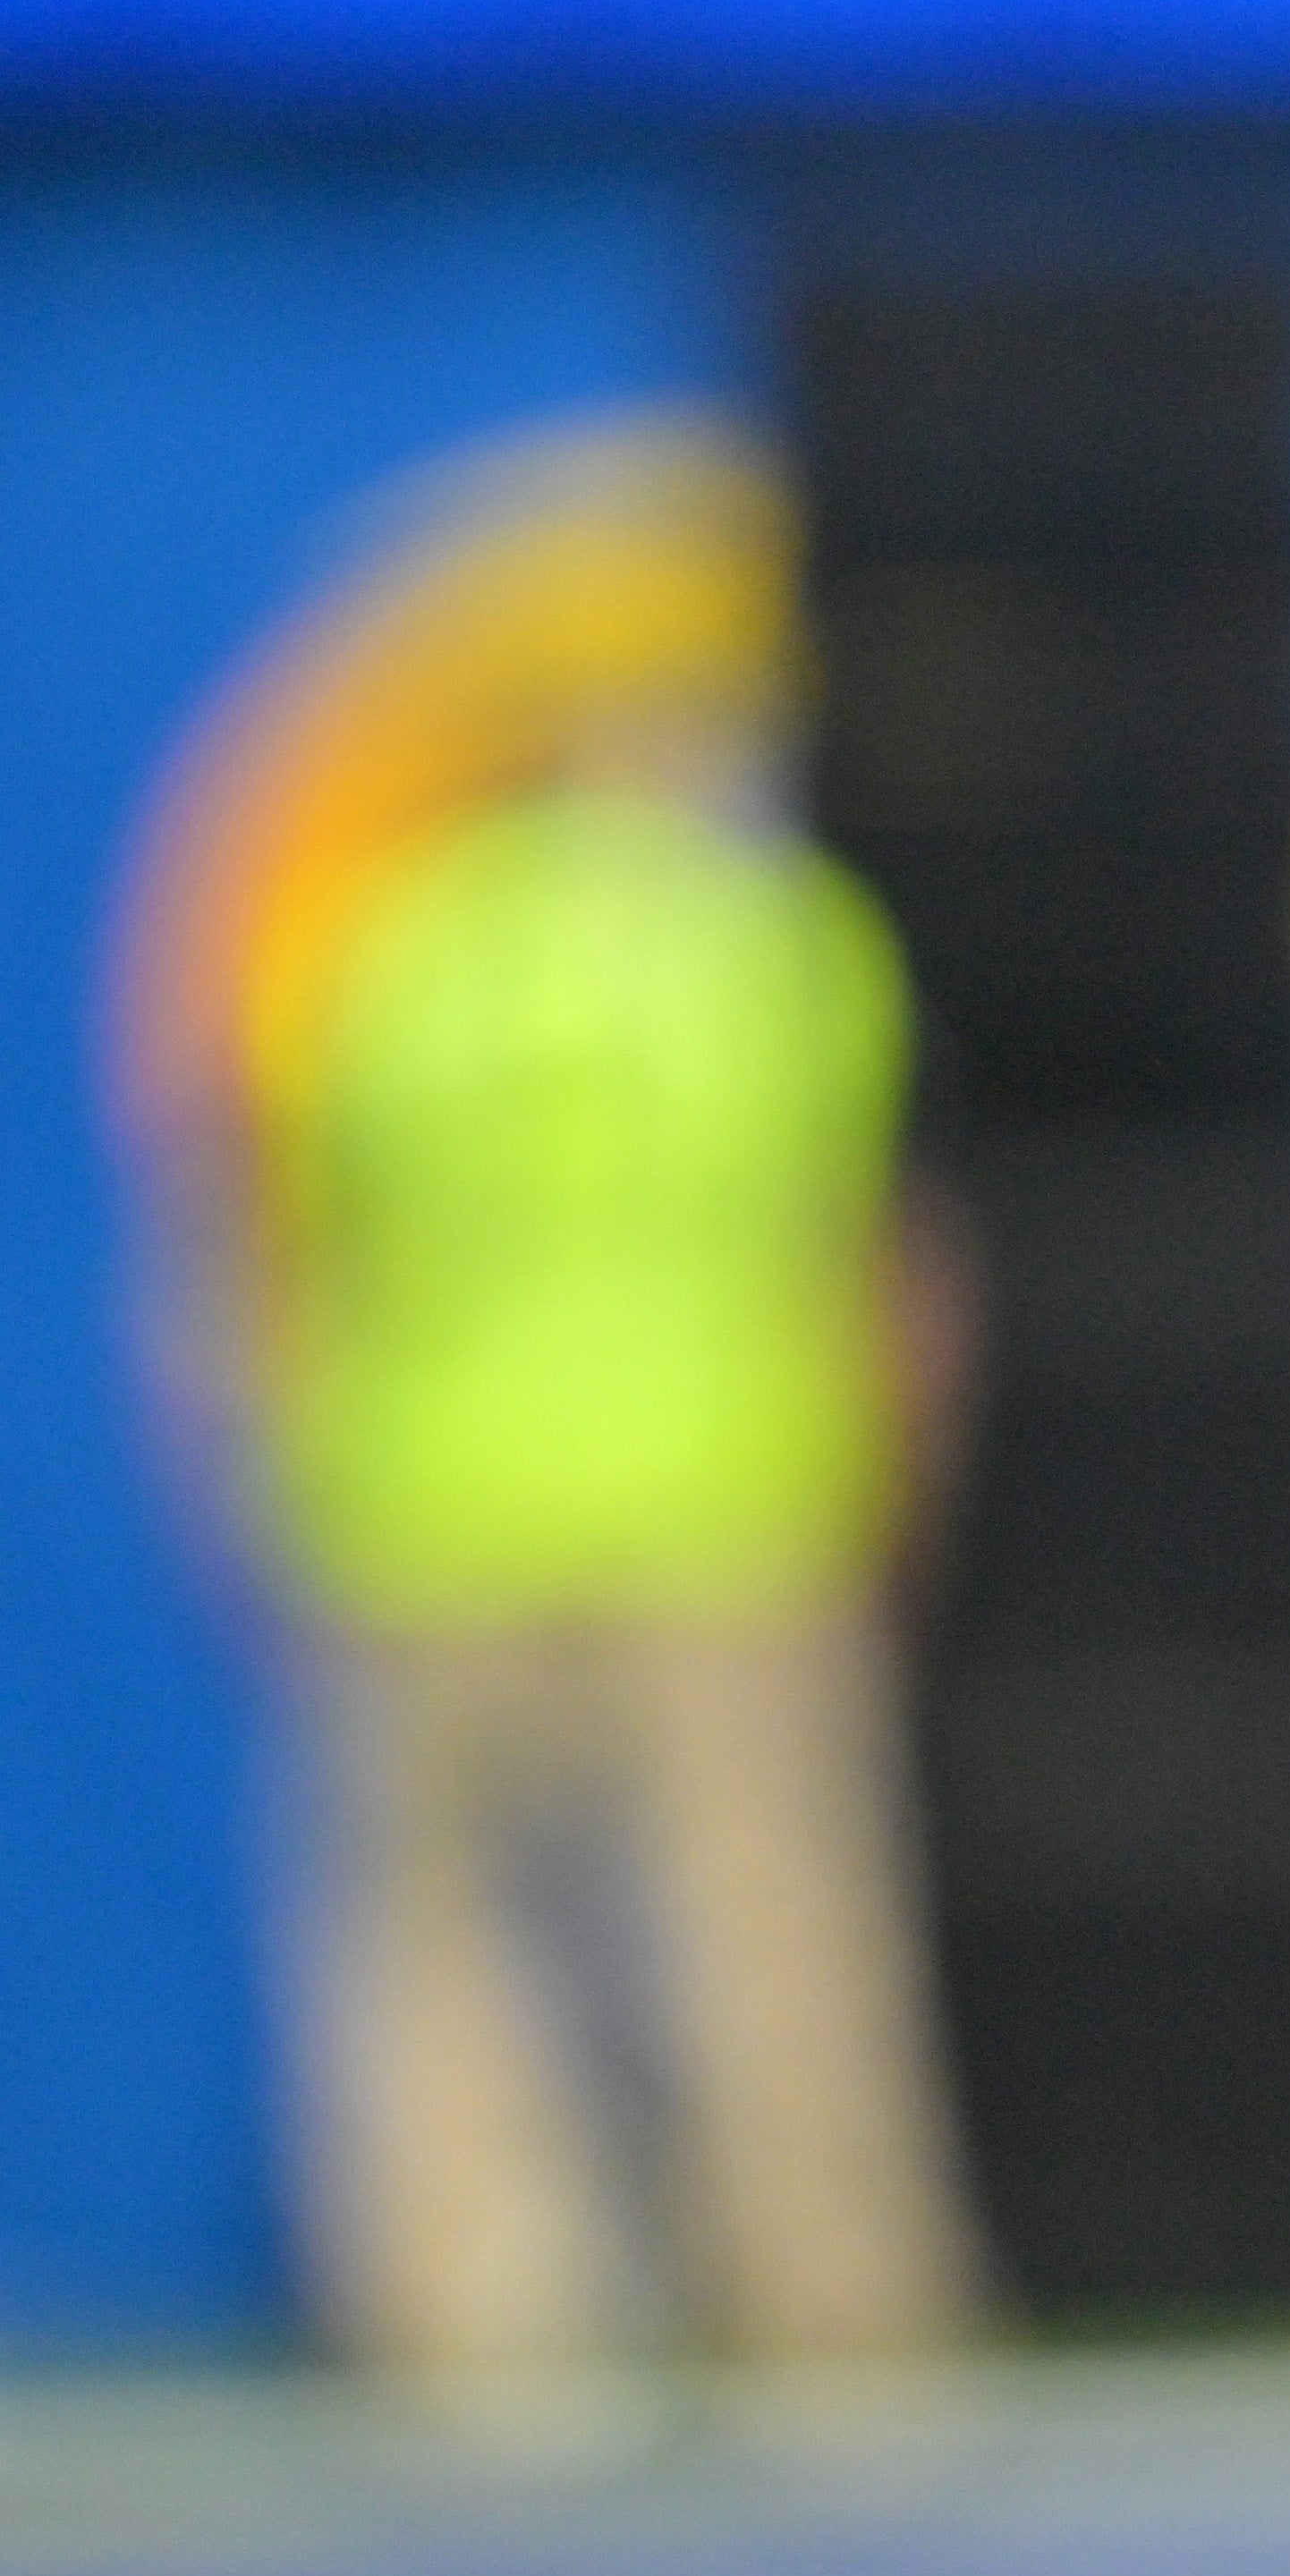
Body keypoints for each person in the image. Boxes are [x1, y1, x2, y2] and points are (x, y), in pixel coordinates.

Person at [244, 719, 984, 2393]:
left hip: (429, 1517)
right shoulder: (773, 942)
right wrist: (894, 1504)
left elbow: (297, 1269)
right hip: (725, 1503)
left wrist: (284, 1507)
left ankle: (484, 2341)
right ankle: (839, 2330)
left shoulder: (391, 956)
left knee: (434, 1954)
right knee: (777, 1929)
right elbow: (883, 1262)